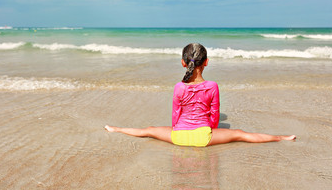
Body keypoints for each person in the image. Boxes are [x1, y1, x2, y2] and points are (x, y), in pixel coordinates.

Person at [105, 43, 296, 147]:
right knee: (240, 134)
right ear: (206, 62)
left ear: (183, 62)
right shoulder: (212, 86)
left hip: (178, 137)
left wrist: (179, 130)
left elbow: (175, 118)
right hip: (204, 138)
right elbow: (214, 118)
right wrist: (210, 131)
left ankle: (116, 129)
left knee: (148, 130)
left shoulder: (179, 87)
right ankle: (281, 137)